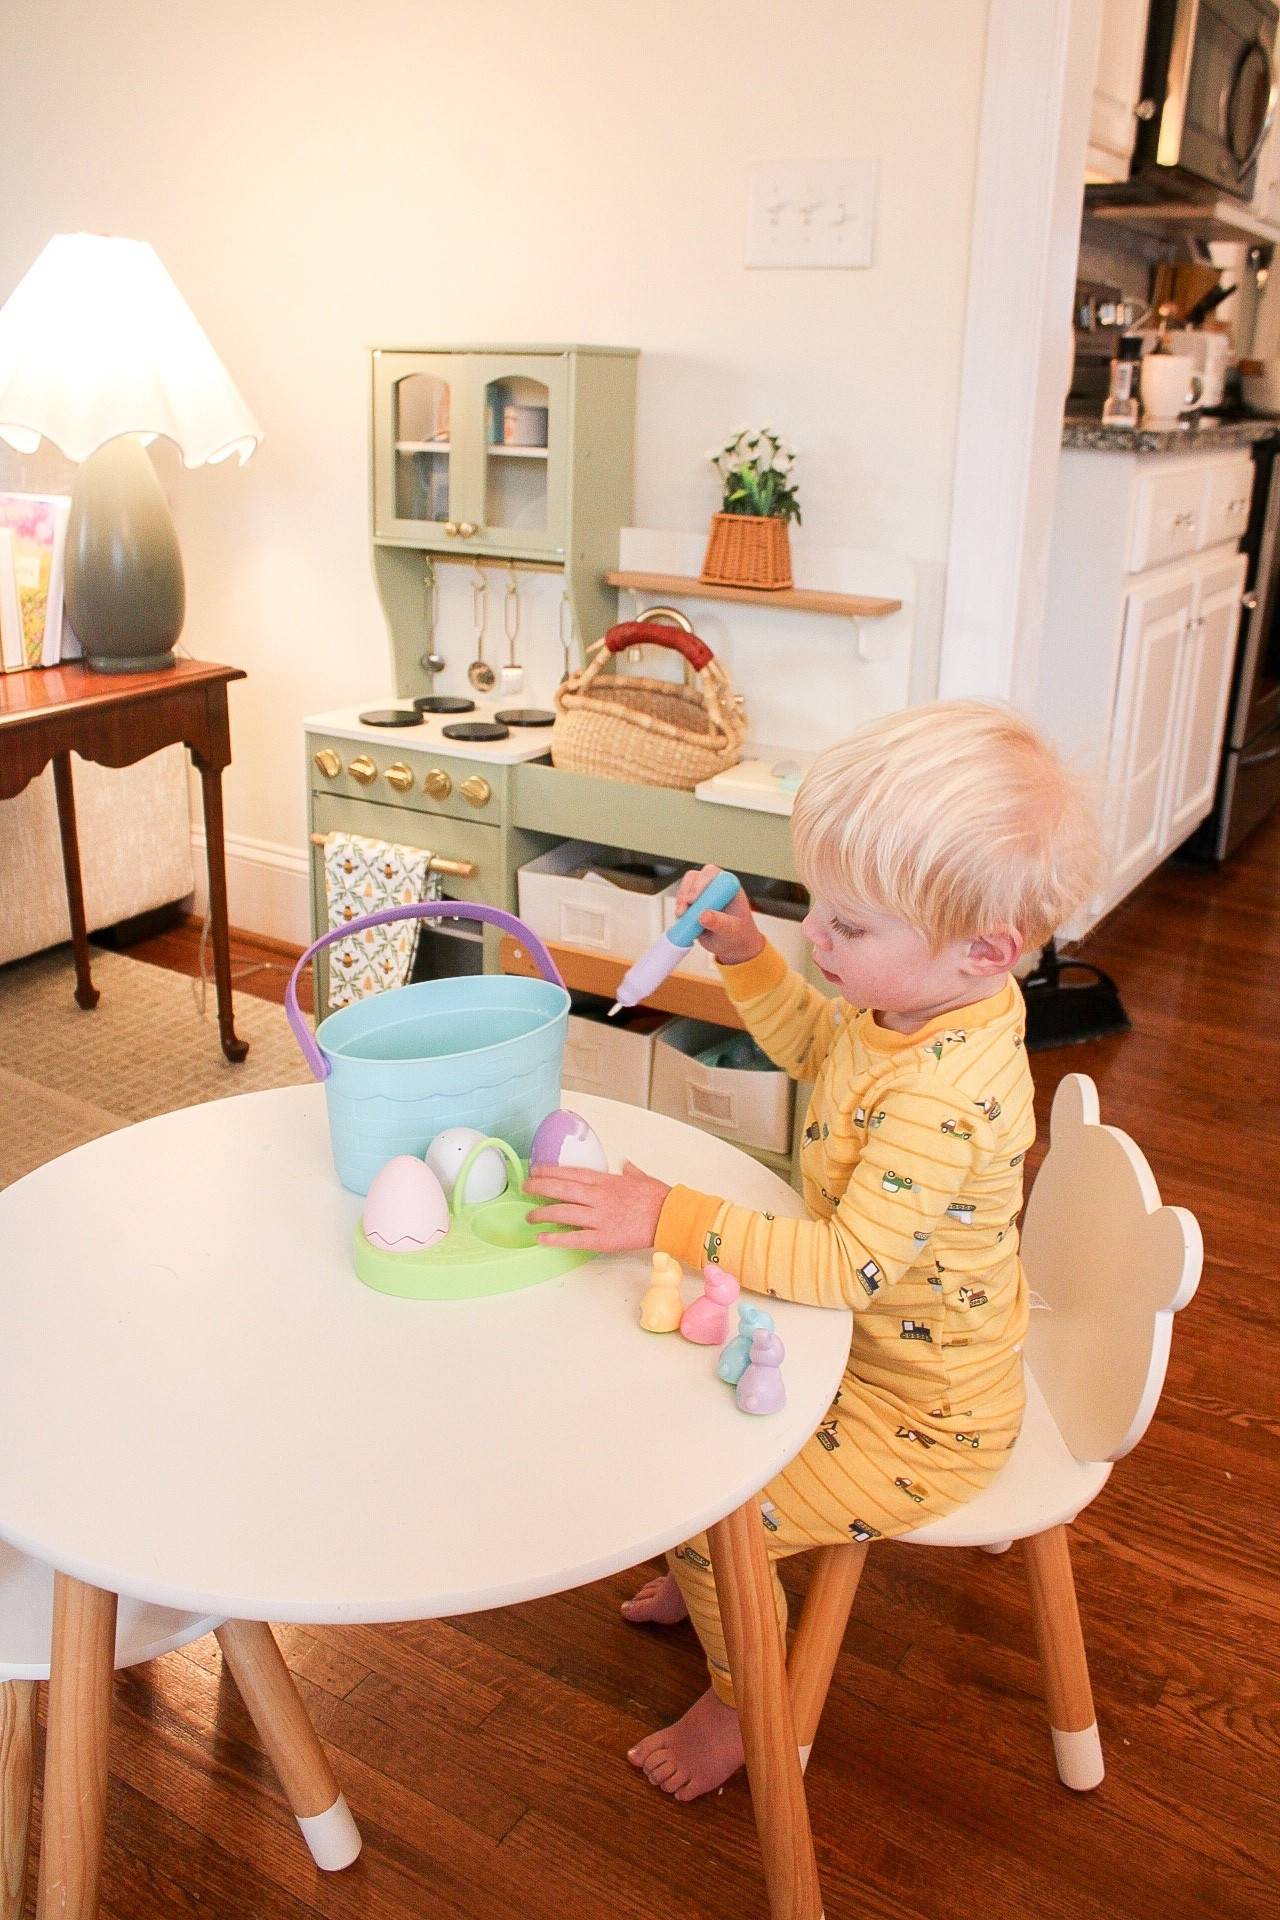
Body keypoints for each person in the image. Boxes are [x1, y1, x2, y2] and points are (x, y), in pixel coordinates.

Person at [525, 699, 1102, 1802]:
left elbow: (842, 1267)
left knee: (712, 1515)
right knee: (678, 1417)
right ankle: (709, 1593)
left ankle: (747, 1700)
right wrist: (745, 954)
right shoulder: (913, 1010)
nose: (817, 940)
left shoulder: (942, 1095)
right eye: (815, 910)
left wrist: (666, 1216)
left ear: (983, 950)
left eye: (847, 927)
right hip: (868, 1351)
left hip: (922, 1412)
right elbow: (812, 1046)